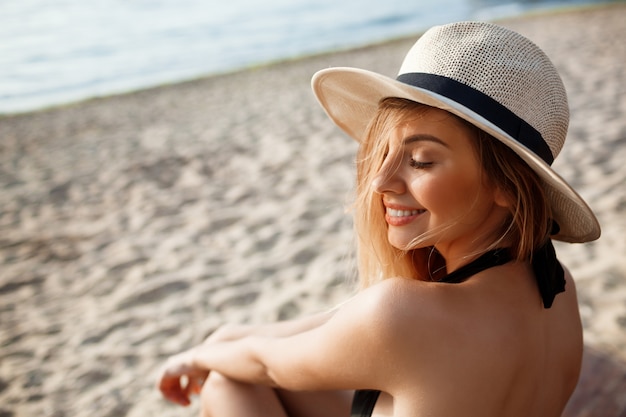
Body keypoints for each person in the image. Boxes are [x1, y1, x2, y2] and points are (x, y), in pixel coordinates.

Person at [157, 21, 601, 417]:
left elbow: (268, 363)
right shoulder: (556, 287)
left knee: (227, 383)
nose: (380, 182)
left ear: (507, 185)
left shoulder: (407, 317)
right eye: (384, 154)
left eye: (422, 161)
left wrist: (201, 358)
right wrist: (224, 337)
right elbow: (340, 320)